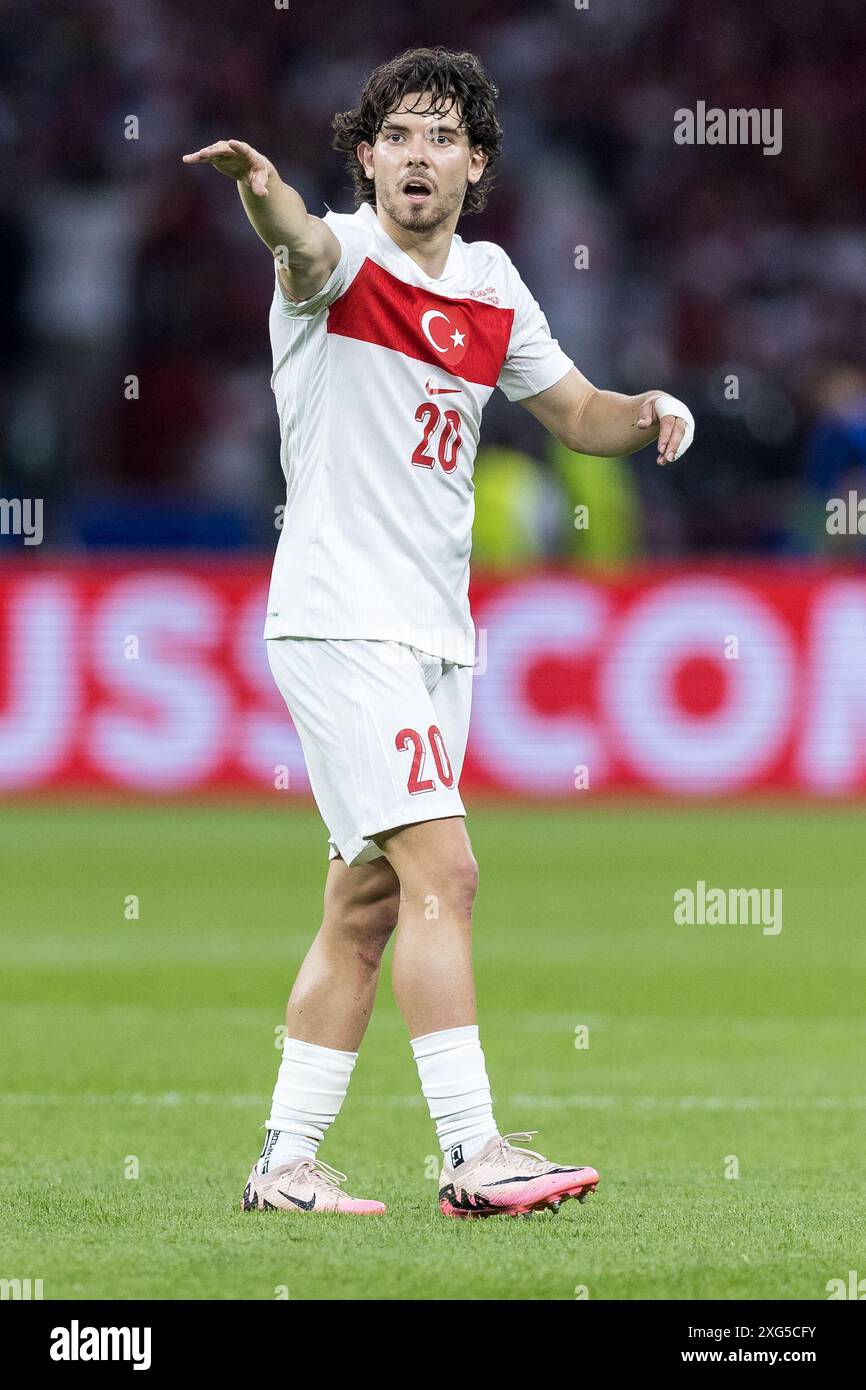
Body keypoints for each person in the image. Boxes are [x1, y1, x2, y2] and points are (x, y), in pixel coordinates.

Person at [182, 45, 694, 1219]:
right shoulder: (338, 261)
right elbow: (297, 242)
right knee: (444, 872)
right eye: (396, 137)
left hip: (433, 638)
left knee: (366, 902)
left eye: (440, 137)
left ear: (475, 163)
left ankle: (284, 1165)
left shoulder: (491, 282)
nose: (417, 156)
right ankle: (472, 1149)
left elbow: (572, 410)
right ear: (364, 160)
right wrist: (264, 192)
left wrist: (651, 411)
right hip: (338, 620)